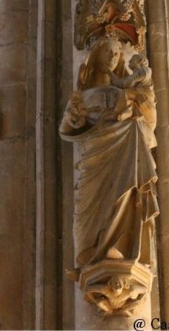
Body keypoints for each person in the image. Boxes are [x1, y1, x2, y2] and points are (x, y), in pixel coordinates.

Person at [59, 37, 158, 271]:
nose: (113, 57)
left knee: (125, 194)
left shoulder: (127, 91)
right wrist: (73, 119)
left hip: (124, 150)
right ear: (96, 56)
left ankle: (121, 247)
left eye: (116, 54)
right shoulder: (83, 95)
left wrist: (145, 109)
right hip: (94, 156)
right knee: (86, 203)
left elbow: (149, 129)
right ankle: (90, 252)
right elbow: (66, 128)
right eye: (107, 52)